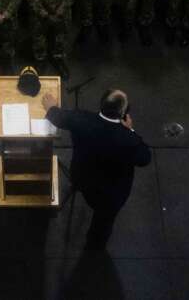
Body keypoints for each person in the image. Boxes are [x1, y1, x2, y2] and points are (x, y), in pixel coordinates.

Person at [41, 88, 151, 249]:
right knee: (104, 223)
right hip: (111, 195)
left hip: (82, 178)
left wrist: (51, 107)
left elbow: (59, 118)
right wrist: (130, 130)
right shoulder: (128, 139)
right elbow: (145, 158)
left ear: (102, 104)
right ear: (124, 113)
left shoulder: (82, 119)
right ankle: (95, 246)